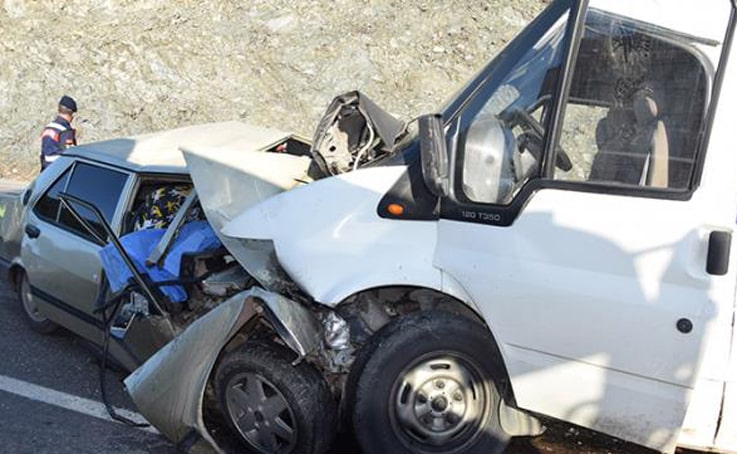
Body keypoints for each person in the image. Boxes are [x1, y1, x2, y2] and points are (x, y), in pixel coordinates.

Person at [40, 95, 78, 171]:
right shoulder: (65, 131)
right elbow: (69, 154)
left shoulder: (48, 127)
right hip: (58, 171)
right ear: (72, 114)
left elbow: (43, 154)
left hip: (46, 171)